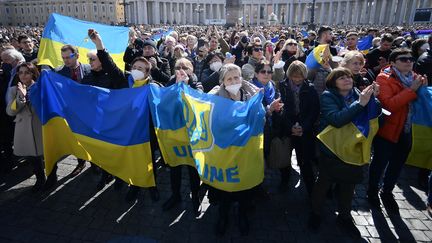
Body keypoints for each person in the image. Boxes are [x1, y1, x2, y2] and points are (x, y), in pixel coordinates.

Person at [308, 67, 381, 238]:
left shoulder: (357, 93)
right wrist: (361, 103)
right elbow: (337, 120)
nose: (347, 79)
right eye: (341, 78)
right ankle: (315, 213)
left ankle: (344, 216)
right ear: (333, 82)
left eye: (348, 76)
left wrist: (373, 99)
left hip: (352, 147)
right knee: (324, 182)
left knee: (349, 185)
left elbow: (374, 114)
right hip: (332, 148)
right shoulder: (328, 96)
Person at [367, 48, 428, 215]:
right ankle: (372, 191)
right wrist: (412, 91)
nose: (409, 61)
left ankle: (387, 191)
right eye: (403, 59)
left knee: (397, 164)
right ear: (393, 63)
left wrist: (424, 90)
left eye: (410, 59)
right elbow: (389, 105)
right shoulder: (384, 78)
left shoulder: (415, 78)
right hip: (388, 128)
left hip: (407, 129)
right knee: (380, 162)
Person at [208, 63, 261, 235]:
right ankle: (223, 216)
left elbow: (258, 119)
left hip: (246, 150)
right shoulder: (215, 96)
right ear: (223, 81)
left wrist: (269, 109)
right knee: (226, 188)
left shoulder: (252, 93)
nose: (234, 81)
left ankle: (242, 215)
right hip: (225, 150)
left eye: (236, 77)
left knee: (244, 186)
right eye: (229, 78)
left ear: (241, 78)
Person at [162, 58, 202, 217]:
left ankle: (195, 197)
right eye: (178, 67)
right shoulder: (170, 82)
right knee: (175, 168)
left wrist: (185, 86)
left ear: (192, 70)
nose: (181, 69)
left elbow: (199, 100)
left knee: (193, 170)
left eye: (185, 67)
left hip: (191, 136)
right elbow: (163, 101)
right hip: (173, 134)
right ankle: (175, 195)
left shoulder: (196, 83)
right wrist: (175, 86)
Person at [273, 61, 319, 194]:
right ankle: (284, 180)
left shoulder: (310, 88)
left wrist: (303, 127)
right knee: (285, 156)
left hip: (304, 130)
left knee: (305, 160)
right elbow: (281, 109)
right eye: (294, 76)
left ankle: (310, 188)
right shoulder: (282, 86)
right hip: (287, 127)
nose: (297, 79)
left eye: (300, 76)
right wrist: (290, 127)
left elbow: (314, 111)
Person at [125, 57, 162, 202]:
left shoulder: (154, 86)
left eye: (140, 69)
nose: (136, 70)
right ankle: (134, 186)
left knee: (149, 159)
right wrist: (100, 47)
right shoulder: (126, 83)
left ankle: (152, 186)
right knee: (134, 158)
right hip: (131, 130)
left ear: (147, 72)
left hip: (149, 131)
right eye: (134, 67)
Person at [54, 44, 93, 177]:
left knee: (92, 139)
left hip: (89, 112)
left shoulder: (90, 68)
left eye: (68, 57)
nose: (66, 60)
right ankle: (81, 162)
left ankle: (96, 163)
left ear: (77, 55)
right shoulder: (58, 72)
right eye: (63, 58)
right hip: (71, 114)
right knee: (76, 140)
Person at [6, 62, 45, 191]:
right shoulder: (13, 90)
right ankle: (40, 179)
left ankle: (50, 176)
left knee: (44, 154)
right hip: (23, 128)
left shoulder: (40, 87)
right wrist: (21, 98)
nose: (23, 75)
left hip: (39, 126)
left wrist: (31, 94)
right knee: (31, 157)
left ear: (33, 74)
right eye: (20, 72)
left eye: (27, 72)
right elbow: (10, 111)